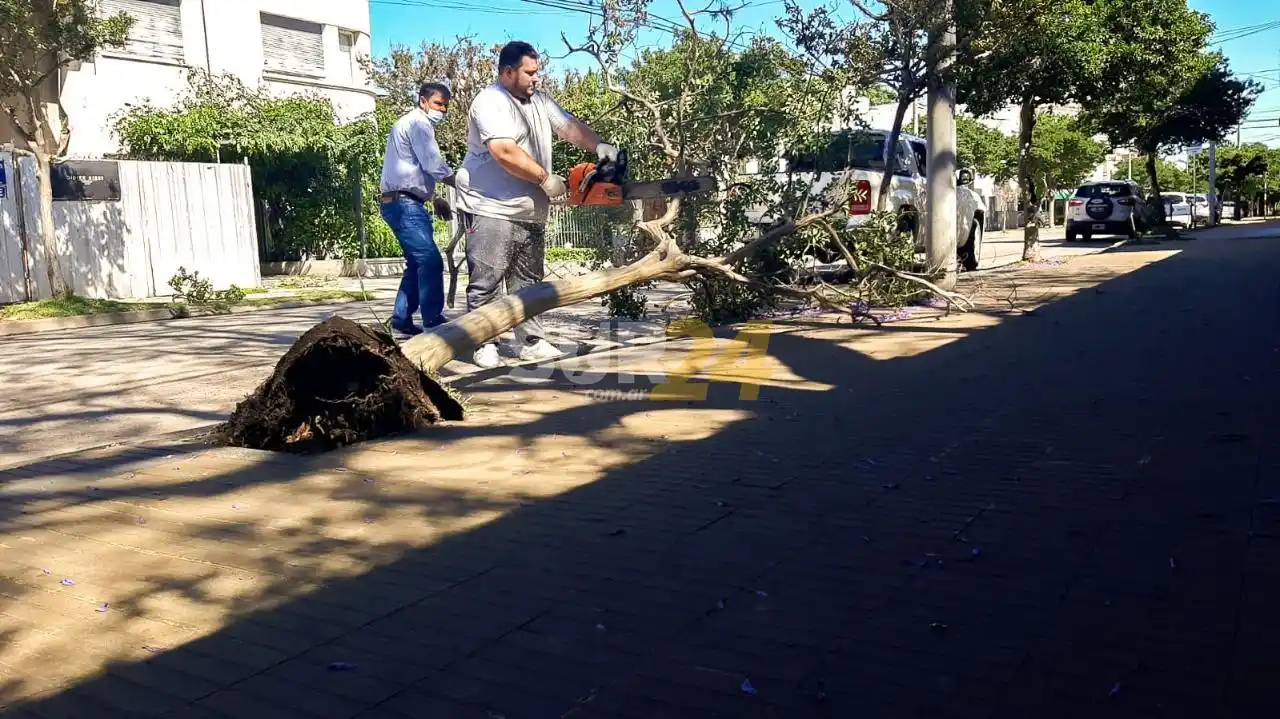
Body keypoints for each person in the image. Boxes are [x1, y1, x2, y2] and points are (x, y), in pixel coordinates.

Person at [453, 40, 618, 368]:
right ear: (507, 72)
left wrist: (599, 144)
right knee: (486, 280)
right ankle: (483, 342)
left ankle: (531, 341)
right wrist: (544, 179)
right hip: (491, 206)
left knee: (528, 282)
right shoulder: (490, 102)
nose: (536, 78)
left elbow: (569, 127)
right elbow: (504, 151)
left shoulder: (540, 101)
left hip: (530, 210)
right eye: (529, 73)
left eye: (537, 71)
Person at [378, 81, 456, 336]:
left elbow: (410, 172)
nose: (442, 110)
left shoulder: (409, 124)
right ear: (423, 101)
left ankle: (401, 320)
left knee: (416, 263)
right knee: (430, 260)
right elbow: (433, 164)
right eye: (438, 104)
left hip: (403, 202)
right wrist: (465, 185)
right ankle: (433, 321)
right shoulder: (419, 124)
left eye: (445, 106)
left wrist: (435, 198)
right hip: (403, 204)